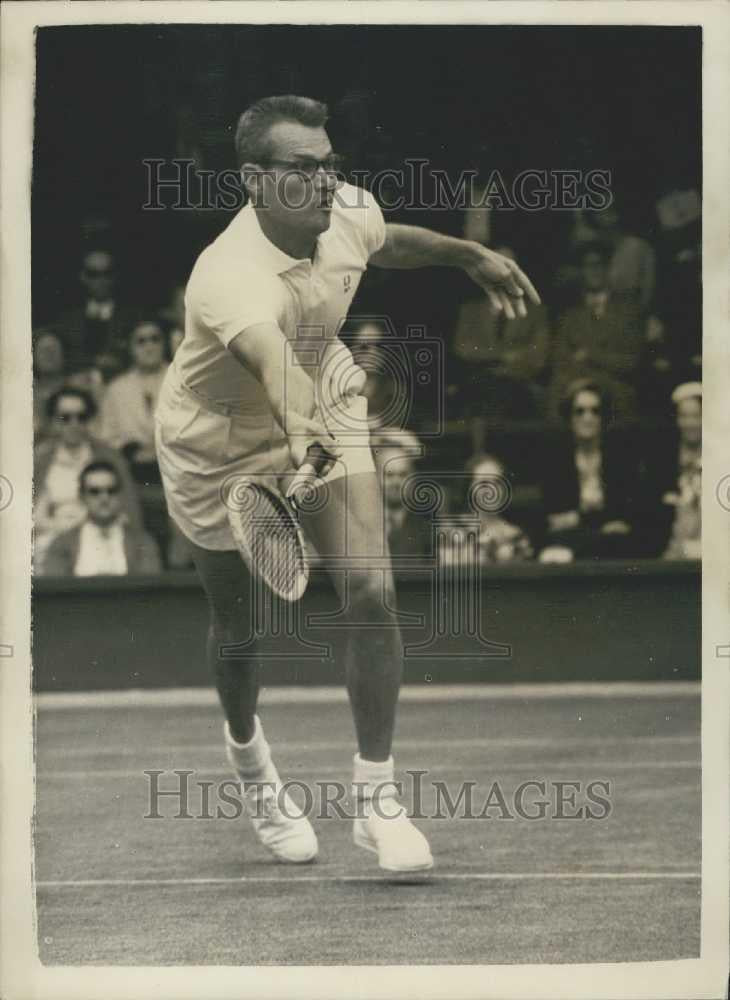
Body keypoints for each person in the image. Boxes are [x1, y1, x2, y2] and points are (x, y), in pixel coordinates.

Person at [154, 95, 540, 873]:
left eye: (330, 163)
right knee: (238, 629)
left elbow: (384, 242)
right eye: (304, 168)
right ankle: (253, 769)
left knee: (370, 589)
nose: (326, 180)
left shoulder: (346, 209)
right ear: (256, 181)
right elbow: (268, 360)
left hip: (323, 392)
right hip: (216, 443)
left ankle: (376, 800)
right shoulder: (226, 277)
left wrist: (467, 253)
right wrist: (299, 433)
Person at [34, 387, 143, 570]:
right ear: (54, 421)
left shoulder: (110, 458)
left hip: (99, 536)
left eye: (81, 417)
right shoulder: (40, 461)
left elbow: (130, 513)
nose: (74, 423)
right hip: (51, 541)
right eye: (65, 417)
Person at [539, 379, 639, 561]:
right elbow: (555, 520)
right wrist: (596, 521)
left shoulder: (620, 459)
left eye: (596, 411)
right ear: (569, 418)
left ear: (604, 417)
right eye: (579, 411)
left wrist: (578, 519)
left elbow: (624, 519)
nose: (588, 417)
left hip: (612, 545)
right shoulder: (555, 461)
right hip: (568, 542)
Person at [548, 243, 644, 426]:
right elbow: (560, 358)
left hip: (615, 388)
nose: (594, 271)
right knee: (557, 393)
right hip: (575, 384)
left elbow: (631, 361)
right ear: (581, 271)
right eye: (588, 266)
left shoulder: (629, 310)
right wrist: (582, 381)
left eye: (599, 265)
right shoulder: (570, 314)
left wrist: (591, 356)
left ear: (609, 269)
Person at [450, 245, 550, 421]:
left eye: (508, 267)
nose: (501, 274)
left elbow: (537, 357)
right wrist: (504, 356)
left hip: (519, 385)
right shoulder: (469, 311)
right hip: (478, 384)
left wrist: (487, 356)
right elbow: (462, 349)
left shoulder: (536, 312)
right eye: (495, 266)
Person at [42, 461, 161, 577]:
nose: (104, 498)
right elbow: (56, 592)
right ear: (82, 496)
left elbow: (149, 591)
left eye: (111, 490)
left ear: (120, 495)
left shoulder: (143, 543)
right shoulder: (61, 545)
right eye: (94, 491)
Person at [640, 382, 702, 560]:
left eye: (697, 416)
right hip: (671, 546)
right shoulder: (662, 461)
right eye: (684, 416)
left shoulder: (721, 457)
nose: (690, 423)